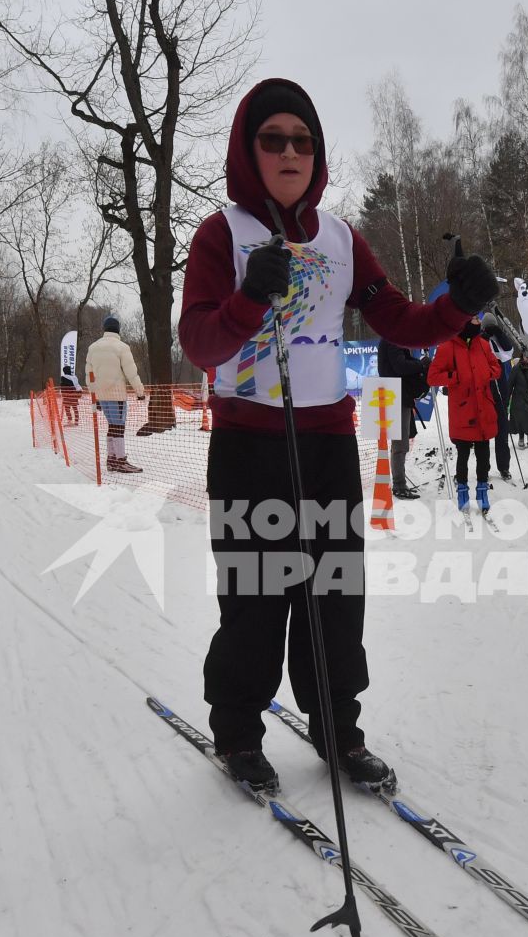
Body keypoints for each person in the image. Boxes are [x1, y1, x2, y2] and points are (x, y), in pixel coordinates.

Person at [177, 78, 497, 794]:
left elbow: (402, 321)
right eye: (273, 140)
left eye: (303, 140)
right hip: (249, 444)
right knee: (255, 596)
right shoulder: (221, 235)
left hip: (324, 442)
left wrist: (457, 305)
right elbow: (198, 342)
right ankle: (237, 735)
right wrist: (248, 296)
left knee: (333, 597)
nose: (290, 152)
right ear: (247, 150)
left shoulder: (341, 239)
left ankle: (336, 731)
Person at [428, 316, 503, 514]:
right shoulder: (446, 347)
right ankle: (462, 490)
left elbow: (497, 368)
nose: (478, 322)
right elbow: (433, 377)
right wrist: (454, 377)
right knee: (463, 454)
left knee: (483, 454)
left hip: (483, 408)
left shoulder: (484, 345)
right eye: (474, 318)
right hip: (463, 410)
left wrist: (487, 373)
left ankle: (482, 490)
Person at [84, 314, 147, 473]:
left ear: (105, 329)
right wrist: (139, 391)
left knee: (112, 426)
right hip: (117, 396)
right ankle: (120, 460)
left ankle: (111, 459)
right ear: (117, 330)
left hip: (101, 396)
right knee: (119, 426)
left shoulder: (93, 347)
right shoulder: (122, 347)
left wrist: (94, 395)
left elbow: (89, 374)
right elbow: (131, 372)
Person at [374, 337, 429, 499]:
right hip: (395, 395)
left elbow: (401, 363)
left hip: (396, 394)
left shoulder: (392, 340)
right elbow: (400, 366)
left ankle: (400, 482)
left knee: (401, 441)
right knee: (400, 443)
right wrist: (421, 364)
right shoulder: (392, 340)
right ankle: (399, 485)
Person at [481, 312, 518, 479]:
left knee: (502, 431)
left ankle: (504, 467)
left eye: (492, 326)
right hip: (485, 389)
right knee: (485, 432)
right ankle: (484, 467)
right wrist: (484, 335)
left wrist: (499, 332)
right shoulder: (480, 339)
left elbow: (509, 351)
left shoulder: (499, 339)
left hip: (501, 388)